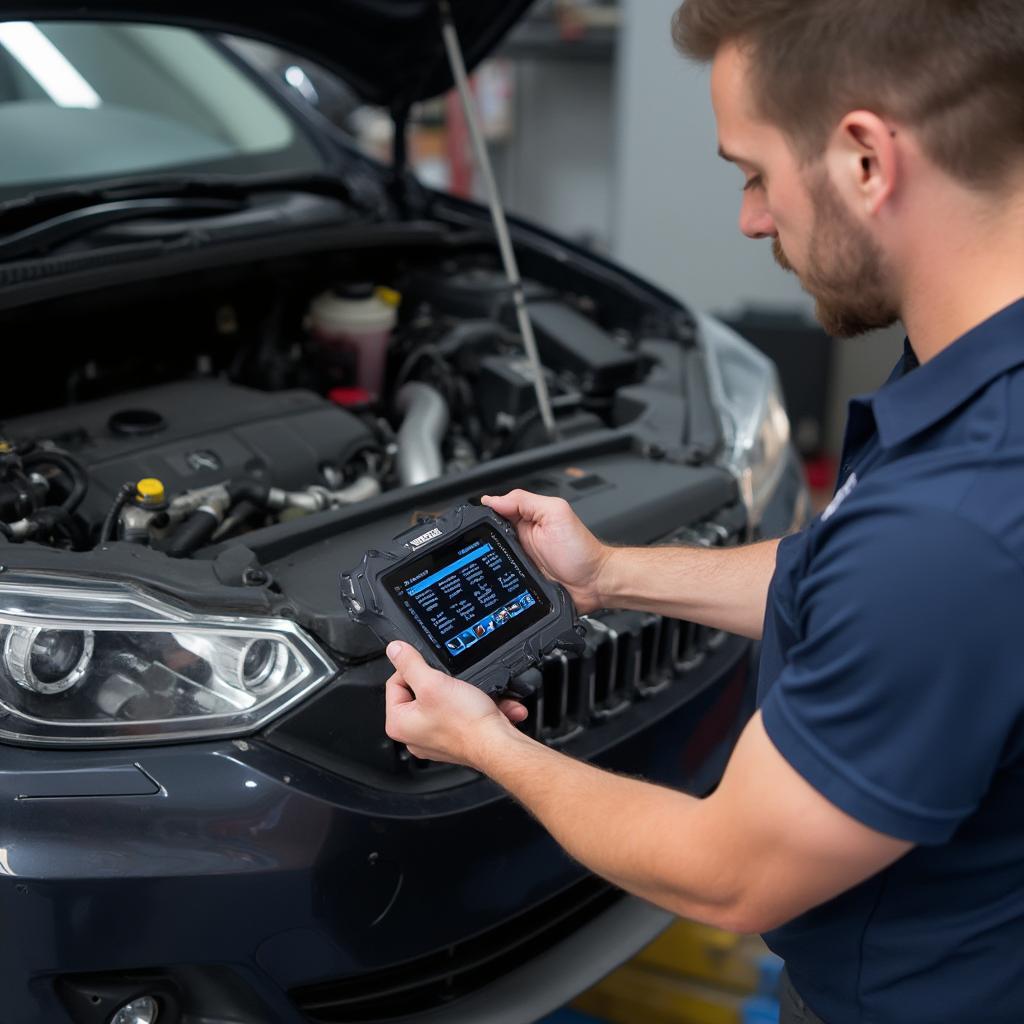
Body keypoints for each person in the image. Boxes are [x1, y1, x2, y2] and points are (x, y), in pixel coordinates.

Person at [385, 2, 1024, 1020]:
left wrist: (486, 745)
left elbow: (730, 870)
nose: (752, 218)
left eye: (753, 172)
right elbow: (840, 574)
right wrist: (604, 574)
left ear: (865, 158)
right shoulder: (976, 369)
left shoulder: (954, 519)